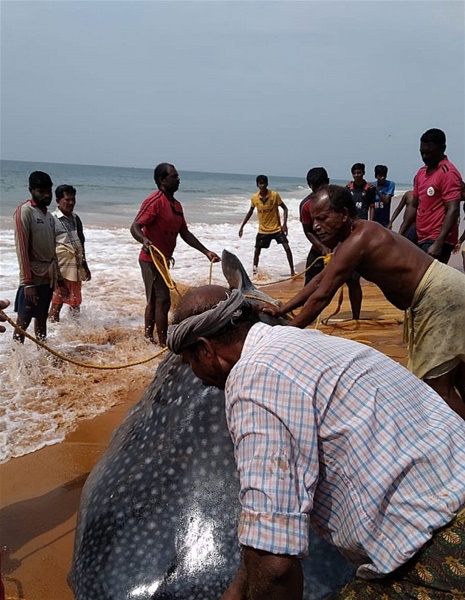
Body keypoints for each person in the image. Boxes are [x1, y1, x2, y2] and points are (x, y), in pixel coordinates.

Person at [167, 284, 465, 600]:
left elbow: (275, 566)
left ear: (205, 349)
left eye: (190, 363)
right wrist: (240, 589)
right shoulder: (305, 341)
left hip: (444, 551)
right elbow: (272, 521)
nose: (196, 376)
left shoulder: (252, 380)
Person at [263, 185, 465, 417]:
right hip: (451, 289)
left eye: (322, 218)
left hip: (439, 297)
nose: (316, 226)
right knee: (459, 375)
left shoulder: (358, 240)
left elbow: (322, 296)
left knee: (437, 388)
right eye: (313, 220)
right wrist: (282, 309)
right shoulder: (356, 235)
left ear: (345, 214)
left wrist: (286, 334)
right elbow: (320, 280)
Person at [130, 162, 220, 347]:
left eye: (177, 176)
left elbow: (185, 233)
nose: (178, 179)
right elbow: (135, 226)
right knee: (162, 300)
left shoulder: (176, 205)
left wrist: (206, 251)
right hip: (150, 259)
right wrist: (145, 241)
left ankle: (149, 339)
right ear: (162, 180)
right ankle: (163, 345)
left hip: (163, 262)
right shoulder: (155, 200)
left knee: (155, 301)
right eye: (174, 176)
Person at [13, 171, 67, 343]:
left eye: (48, 191)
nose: (46, 195)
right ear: (31, 190)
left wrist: (59, 279)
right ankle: (16, 360)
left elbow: (53, 251)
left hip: (47, 277)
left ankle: (43, 353)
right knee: (23, 321)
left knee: (42, 318)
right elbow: (21, 249)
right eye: (41, 191)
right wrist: (27, 282)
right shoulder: (24, 212)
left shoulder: (49, 217)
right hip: (32, 277)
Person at [405, 128, 462, 264]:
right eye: (422, 152)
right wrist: (401, 232)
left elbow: (453, 210)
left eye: (429, 152)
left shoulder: (448, 173)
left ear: (442, 148)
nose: (425, 157)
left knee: (428, 282)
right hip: (419, 232)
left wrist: (439, 242)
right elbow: (414, 204)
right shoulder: (421, 173)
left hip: (437, 237)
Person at [49, 185, 91, 322]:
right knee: (57, 302)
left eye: (73, 199)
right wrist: (56, 277)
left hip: (76, 267)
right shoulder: (52, 219)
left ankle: (74, 333)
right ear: (58, 200)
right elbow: (49, 248)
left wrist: (85, 265)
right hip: (61, 269)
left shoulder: (75, 218)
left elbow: (81, 241)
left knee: (75, 303)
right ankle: (53, 333)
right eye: (67, 200)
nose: (71, 203)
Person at [238, 175, 295, 276]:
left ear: (267, 184)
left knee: (286, 247)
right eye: (260, 183)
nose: (262, 185)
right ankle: (254, 273)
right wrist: (242, 226)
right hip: (263, 230)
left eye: (264, 183)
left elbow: (285, 208)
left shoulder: (274, 195)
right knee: (257, 251)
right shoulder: (255, 198)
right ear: (257, 185)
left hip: (276, 228)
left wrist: (284, 224)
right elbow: (250, 212)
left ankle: (292, 271)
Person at [299, 167, 330, 285]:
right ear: (309, 185)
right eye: (315, 186)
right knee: (310, 281)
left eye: (322, 186)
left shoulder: (337, 199)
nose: (319, 190)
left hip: (341, 245)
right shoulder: (306, 205)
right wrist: (321, 247)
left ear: (328, 181)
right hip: (320, 247)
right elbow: (308, 231)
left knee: (352, 280)